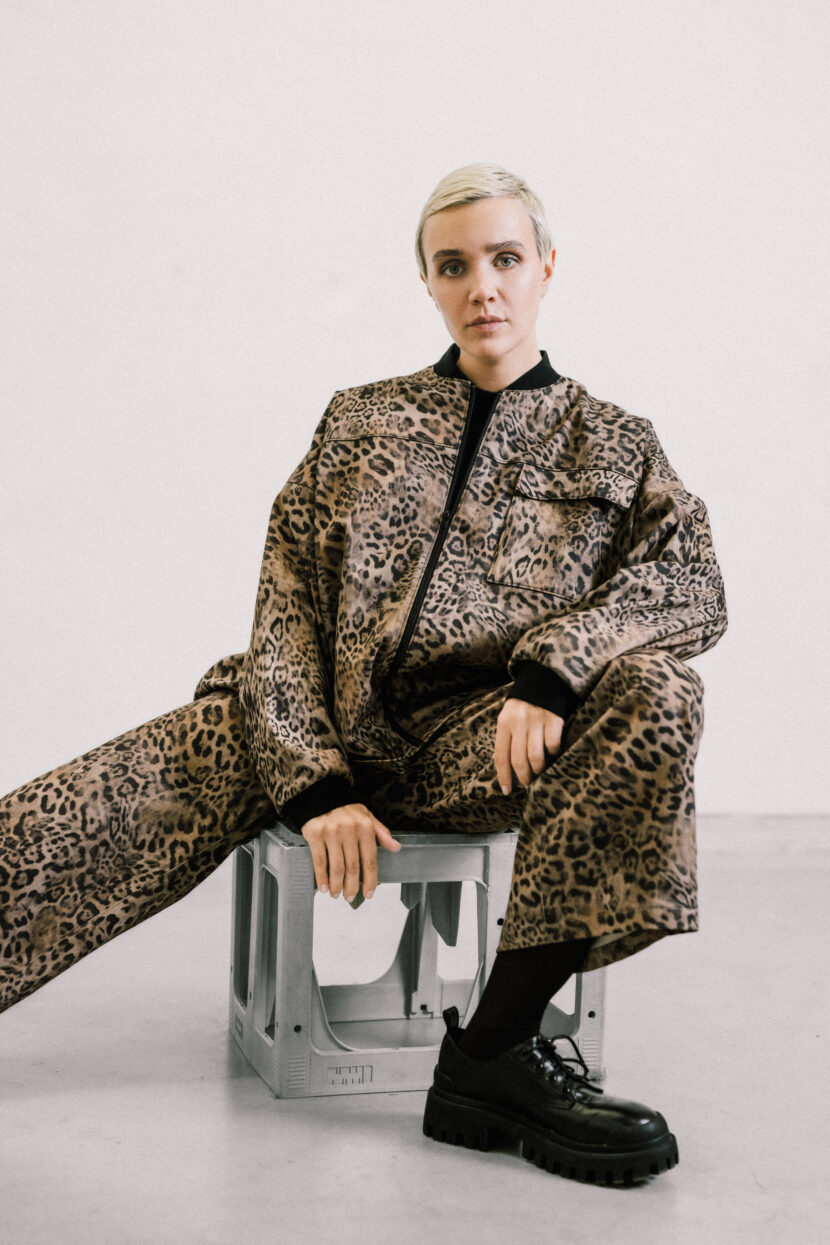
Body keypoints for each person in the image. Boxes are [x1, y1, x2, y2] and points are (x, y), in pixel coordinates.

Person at [0, 163, 727, 1185]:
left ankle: (494, 1054)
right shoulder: (360, 422)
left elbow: (689, 584)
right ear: (427, 281)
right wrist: (315, 785)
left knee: (660, 691)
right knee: (73, 821)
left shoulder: (615, 444)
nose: (482, 286)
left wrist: (554, 671)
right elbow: (286, 608)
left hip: (483, 746)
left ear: (546, 268)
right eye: (453, 265)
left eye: (505, 259)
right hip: (311, 723)